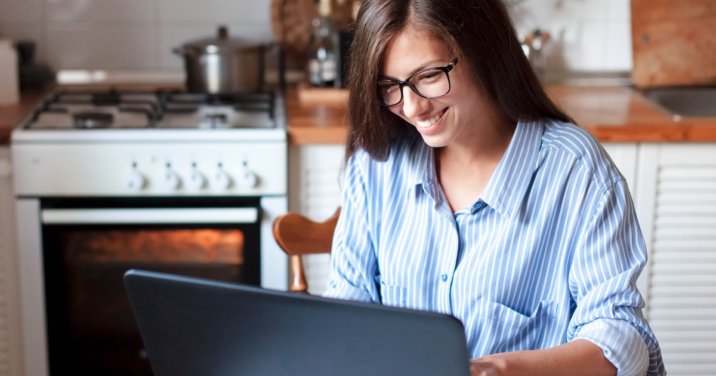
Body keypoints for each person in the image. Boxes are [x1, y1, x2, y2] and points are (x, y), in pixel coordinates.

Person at [322, 0, 665, 375]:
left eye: (429, 76)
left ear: (481, 50)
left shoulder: (575, 172)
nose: (411, 107)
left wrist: (502, 370)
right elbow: (346, 311)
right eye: (389, 86)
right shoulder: (377, 165)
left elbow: (621, 338)